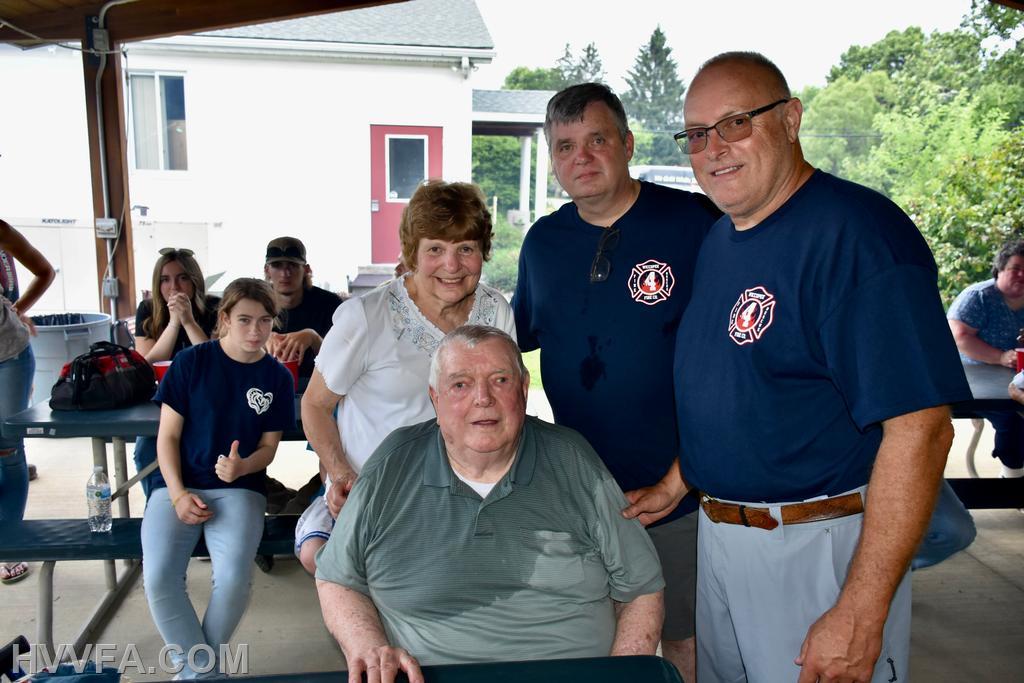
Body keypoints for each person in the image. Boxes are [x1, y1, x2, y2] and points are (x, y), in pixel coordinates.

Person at [625, 52, 972, 683]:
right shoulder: (723, 237)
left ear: (790, 120)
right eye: (697, 134)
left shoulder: (857, 236)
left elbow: (921, 431)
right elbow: (740, 383)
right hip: (723, 538)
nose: (712, 148)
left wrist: (862, 611)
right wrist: (680, 480)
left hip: (817, 544)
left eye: (735, 123)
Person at [315, 326, 665, 682]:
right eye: (461, 385)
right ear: (436, 399)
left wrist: (621, 673)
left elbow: (642, 589)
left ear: (524, 390)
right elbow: (336, 577)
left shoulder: (572, 459)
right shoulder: (394, 463)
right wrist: (368, 646)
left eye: (500, 380)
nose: (482, 398)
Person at [511, 82, 719, 681]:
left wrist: (682, 479)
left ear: (627, 144)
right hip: (581, 494)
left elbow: (733, 356)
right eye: (565, 146)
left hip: (680, 489)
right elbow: (510, 341)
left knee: (684, 636)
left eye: (597, 139)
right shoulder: (544, 243)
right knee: (596, 640)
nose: (582, 157)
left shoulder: (691, 224)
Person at [298, 181, 515, 575]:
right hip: (375, 493)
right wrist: (342, 474)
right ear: (411, 253)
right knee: (332, 563)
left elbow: (506, 403)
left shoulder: (496, 311)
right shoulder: (365, 317)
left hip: (466, 495)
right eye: (435, 249)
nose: (452, 266)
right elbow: (314, 405)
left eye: (465, 248)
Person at [141, 278, 294, 680]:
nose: (255, 331)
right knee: (158, 576)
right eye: (244, 320)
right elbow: (167, 437)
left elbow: (269, 448)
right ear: (224, 319)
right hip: (177, 485)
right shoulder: (192, 363)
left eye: (265, 321)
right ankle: (204, 673)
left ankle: (195, 672)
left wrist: (244, 467)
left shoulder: (277, 377)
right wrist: (176, 494)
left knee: (232, 578)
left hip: (240, 489)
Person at [134, 248, 220, 497]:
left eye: (182, 278)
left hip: (207, 398)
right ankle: (159, 501)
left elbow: (214, 360)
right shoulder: (147, 309)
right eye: (165, 279)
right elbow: (146, 365)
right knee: (145, 452)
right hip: (162, 399)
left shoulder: (215, 307)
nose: (174, 286)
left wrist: (189, 321)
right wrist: (174, 323)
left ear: (194, 280)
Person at [0, 219, 55, 585]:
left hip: (9, 353)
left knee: (7, 448)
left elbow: (44, 271)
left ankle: (9, 546)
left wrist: (16, 309)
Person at [948, 238, 1024, 479]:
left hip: (1018, 378)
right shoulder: (979, 297)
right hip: (976, 380)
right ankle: (1011, 479)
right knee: (1012, 418)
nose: (1022, 275)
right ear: (1000, 268)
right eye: (1015, 269)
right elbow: (959, 336)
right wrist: (1000, 357)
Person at [263, 236, 343, 382]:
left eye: (292, 265)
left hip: (317, 388)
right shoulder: (256, 303)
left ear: (306, 270)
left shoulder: (329, 304)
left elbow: (345, 358)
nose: (285, 273)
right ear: (267, 270)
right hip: (264, 388)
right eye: (277, 265)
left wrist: (314, 339)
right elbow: (230, 348)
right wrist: (261, 339)